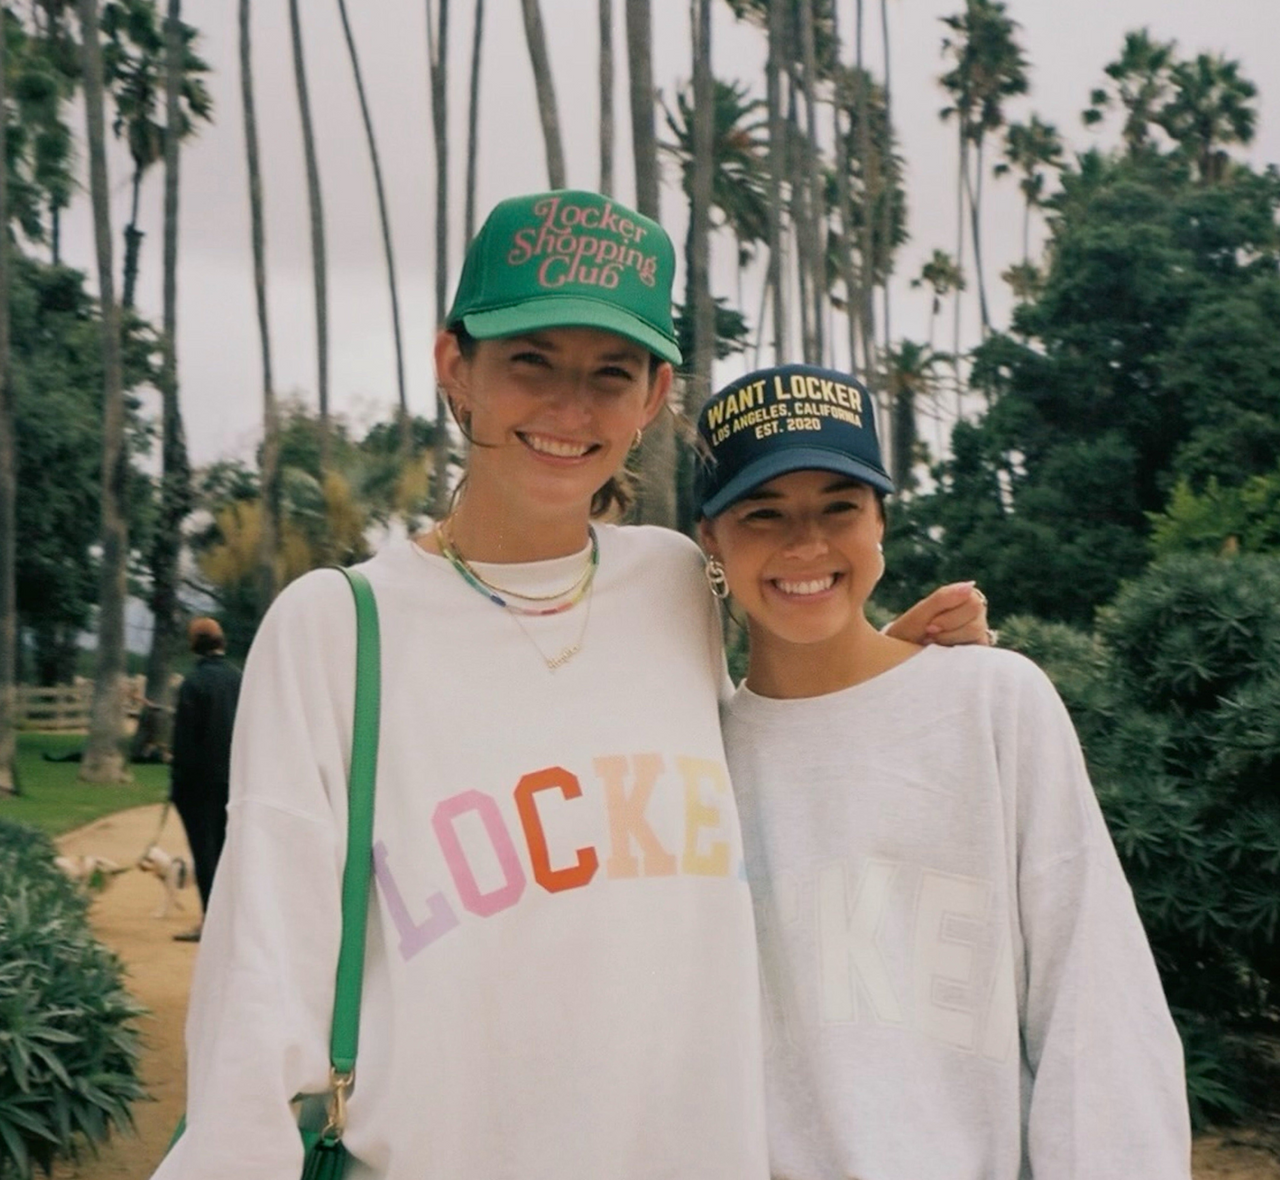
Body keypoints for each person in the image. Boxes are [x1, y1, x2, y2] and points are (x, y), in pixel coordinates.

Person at [156, 191, 986, 1180]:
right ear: (453, 367)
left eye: (609, 372)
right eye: (529, 361)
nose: (569, 406)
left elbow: (753, 783)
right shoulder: (337, 625)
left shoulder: (676, 584)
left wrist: (881, 670)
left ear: (652, 396)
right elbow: (260, 979)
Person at [696, 362, 1192, 1180]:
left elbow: (1096, 1006)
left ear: (882, 519)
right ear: (710, 538)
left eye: (839, 508)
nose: (807, 543)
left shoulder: (993, 703)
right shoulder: (695, 758)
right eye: (763, 513)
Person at [168, 616, 242, 942]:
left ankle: (212, 922)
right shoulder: (239, 679)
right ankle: (235, 920)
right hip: (236, 780)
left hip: (199, 785)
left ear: (196, 642)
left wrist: (177, 780)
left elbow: (184, 742)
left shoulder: (193, 684)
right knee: (231, 851)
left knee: (205, 852)